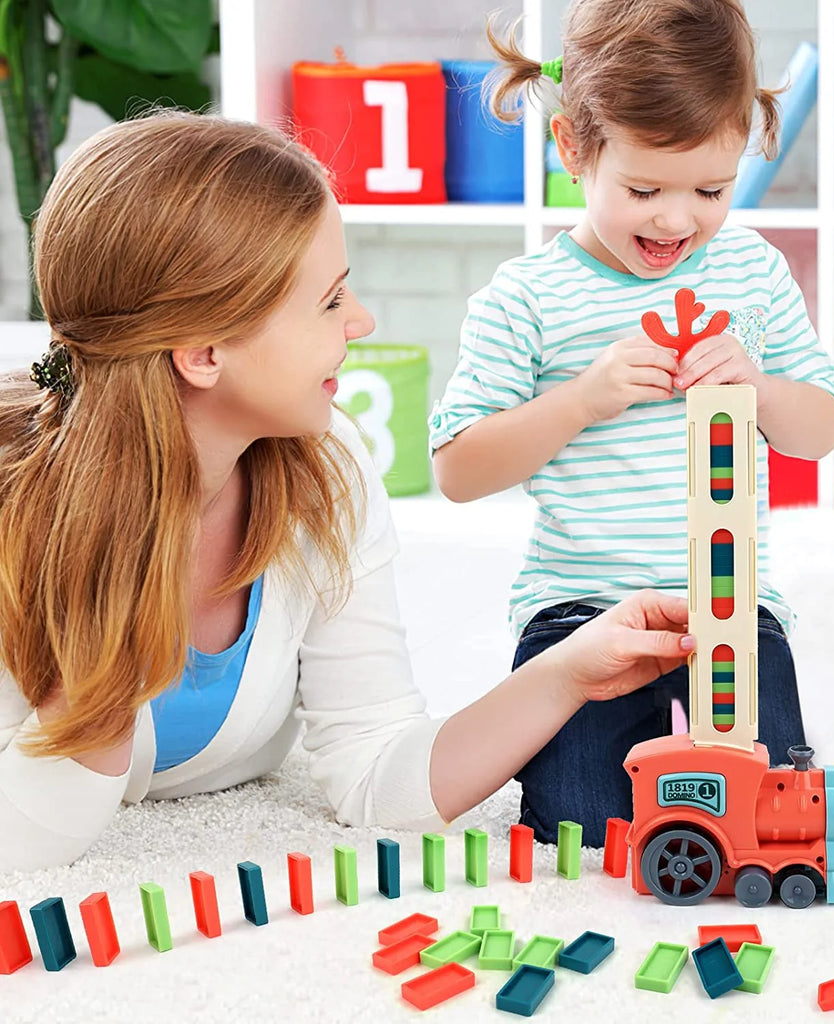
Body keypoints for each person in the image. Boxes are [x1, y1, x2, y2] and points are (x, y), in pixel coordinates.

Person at [0, 111, 698, 872]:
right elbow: (20, 843)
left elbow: (375, 772)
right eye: (330, 301)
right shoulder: (21, 514)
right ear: (202, 352)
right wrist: (114, 583)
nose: (361, 322)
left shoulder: (323, 463)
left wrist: (567, 670)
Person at [430, 0, 834, 846]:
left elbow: (819, 430)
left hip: (731, 607)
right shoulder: (528, 297)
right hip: (579, 612)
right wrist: (582, 399)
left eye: (711, 189)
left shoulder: (753, 271)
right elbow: (458, 469)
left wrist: (760, 388)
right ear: (574, 152)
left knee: (763, 819)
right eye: (643, 189)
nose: (675, 220)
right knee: (584, 829)